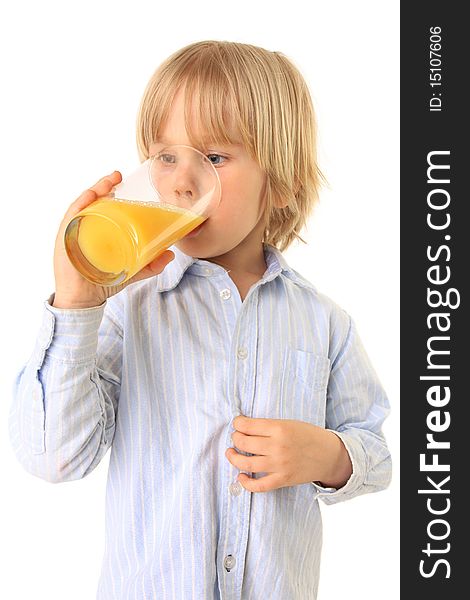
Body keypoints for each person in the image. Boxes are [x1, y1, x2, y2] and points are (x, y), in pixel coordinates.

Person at [9, 40, 391, 599]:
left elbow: (375, 453)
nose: (184, 181)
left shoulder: (324, 321)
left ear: (279, 183)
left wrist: (327, 455)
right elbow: (53, 457)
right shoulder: (125, 311)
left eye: (214, 157)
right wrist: (76, 301)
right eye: (166, 156)